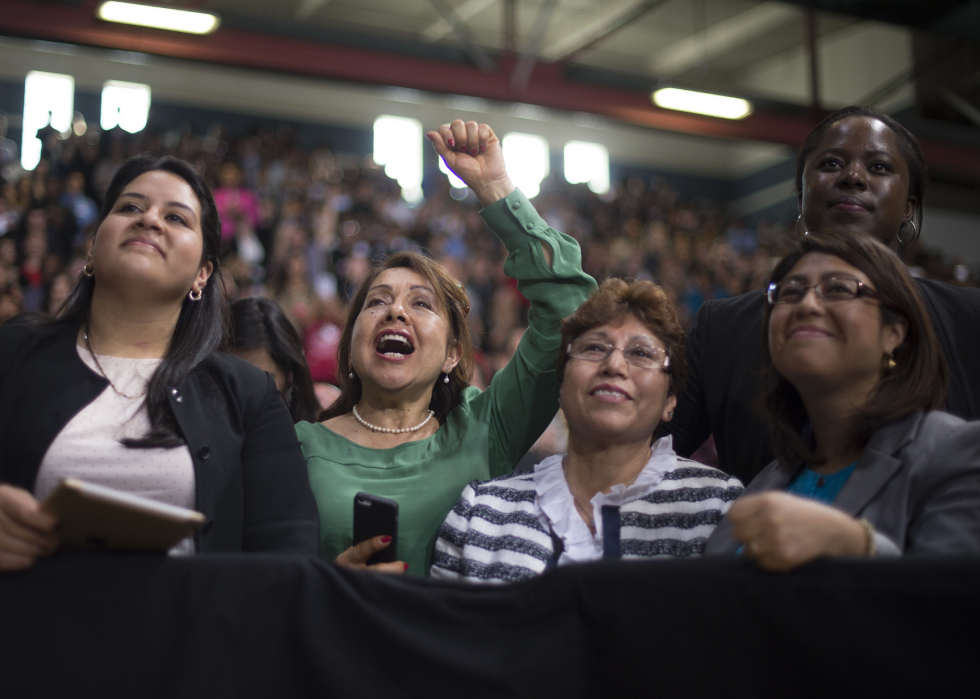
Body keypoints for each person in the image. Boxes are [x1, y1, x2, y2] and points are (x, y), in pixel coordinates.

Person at [295, 119, 597, 575]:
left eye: (421, 303)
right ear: (351, 341)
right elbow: (260, 577)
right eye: (377, 302)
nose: (396, 312)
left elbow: (571, 311)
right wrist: (330, 586)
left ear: (454, 353)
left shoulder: (483, 430)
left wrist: (495, 187)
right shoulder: (298, 445)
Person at [0, 156, 319, 571]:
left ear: (202, 274)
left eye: (176, 217)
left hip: (187, 632)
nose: (150, 220)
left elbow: (286, 552)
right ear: (93, 247)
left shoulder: (248, 394)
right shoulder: (12, 354)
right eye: (131, 207)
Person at [666, 106, 980, 486]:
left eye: (879, 167)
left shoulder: (969, 317)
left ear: (909, 207)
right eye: (831, 163)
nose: (852, 176)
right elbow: (651, 452)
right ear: (801, 196)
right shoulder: (723, 328)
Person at [431, 279, 743, 583]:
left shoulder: (721, 509)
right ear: (562, 385)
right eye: (594, 348)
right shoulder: (480, 513)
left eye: (641, 353)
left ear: (671, 399)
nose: (614, 365)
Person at [705, 232, 980, 568]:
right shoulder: (763, 484)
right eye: (790, 292)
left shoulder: (956, 452)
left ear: (895, 332)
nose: (806, 304)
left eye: (838, 288)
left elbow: (959, 604)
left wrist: (859, 545)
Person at [228, 297, 321, 424]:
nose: (245, 393)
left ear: (289, 376)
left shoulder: (319, 434)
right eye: (233, 378)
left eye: (262, 380)